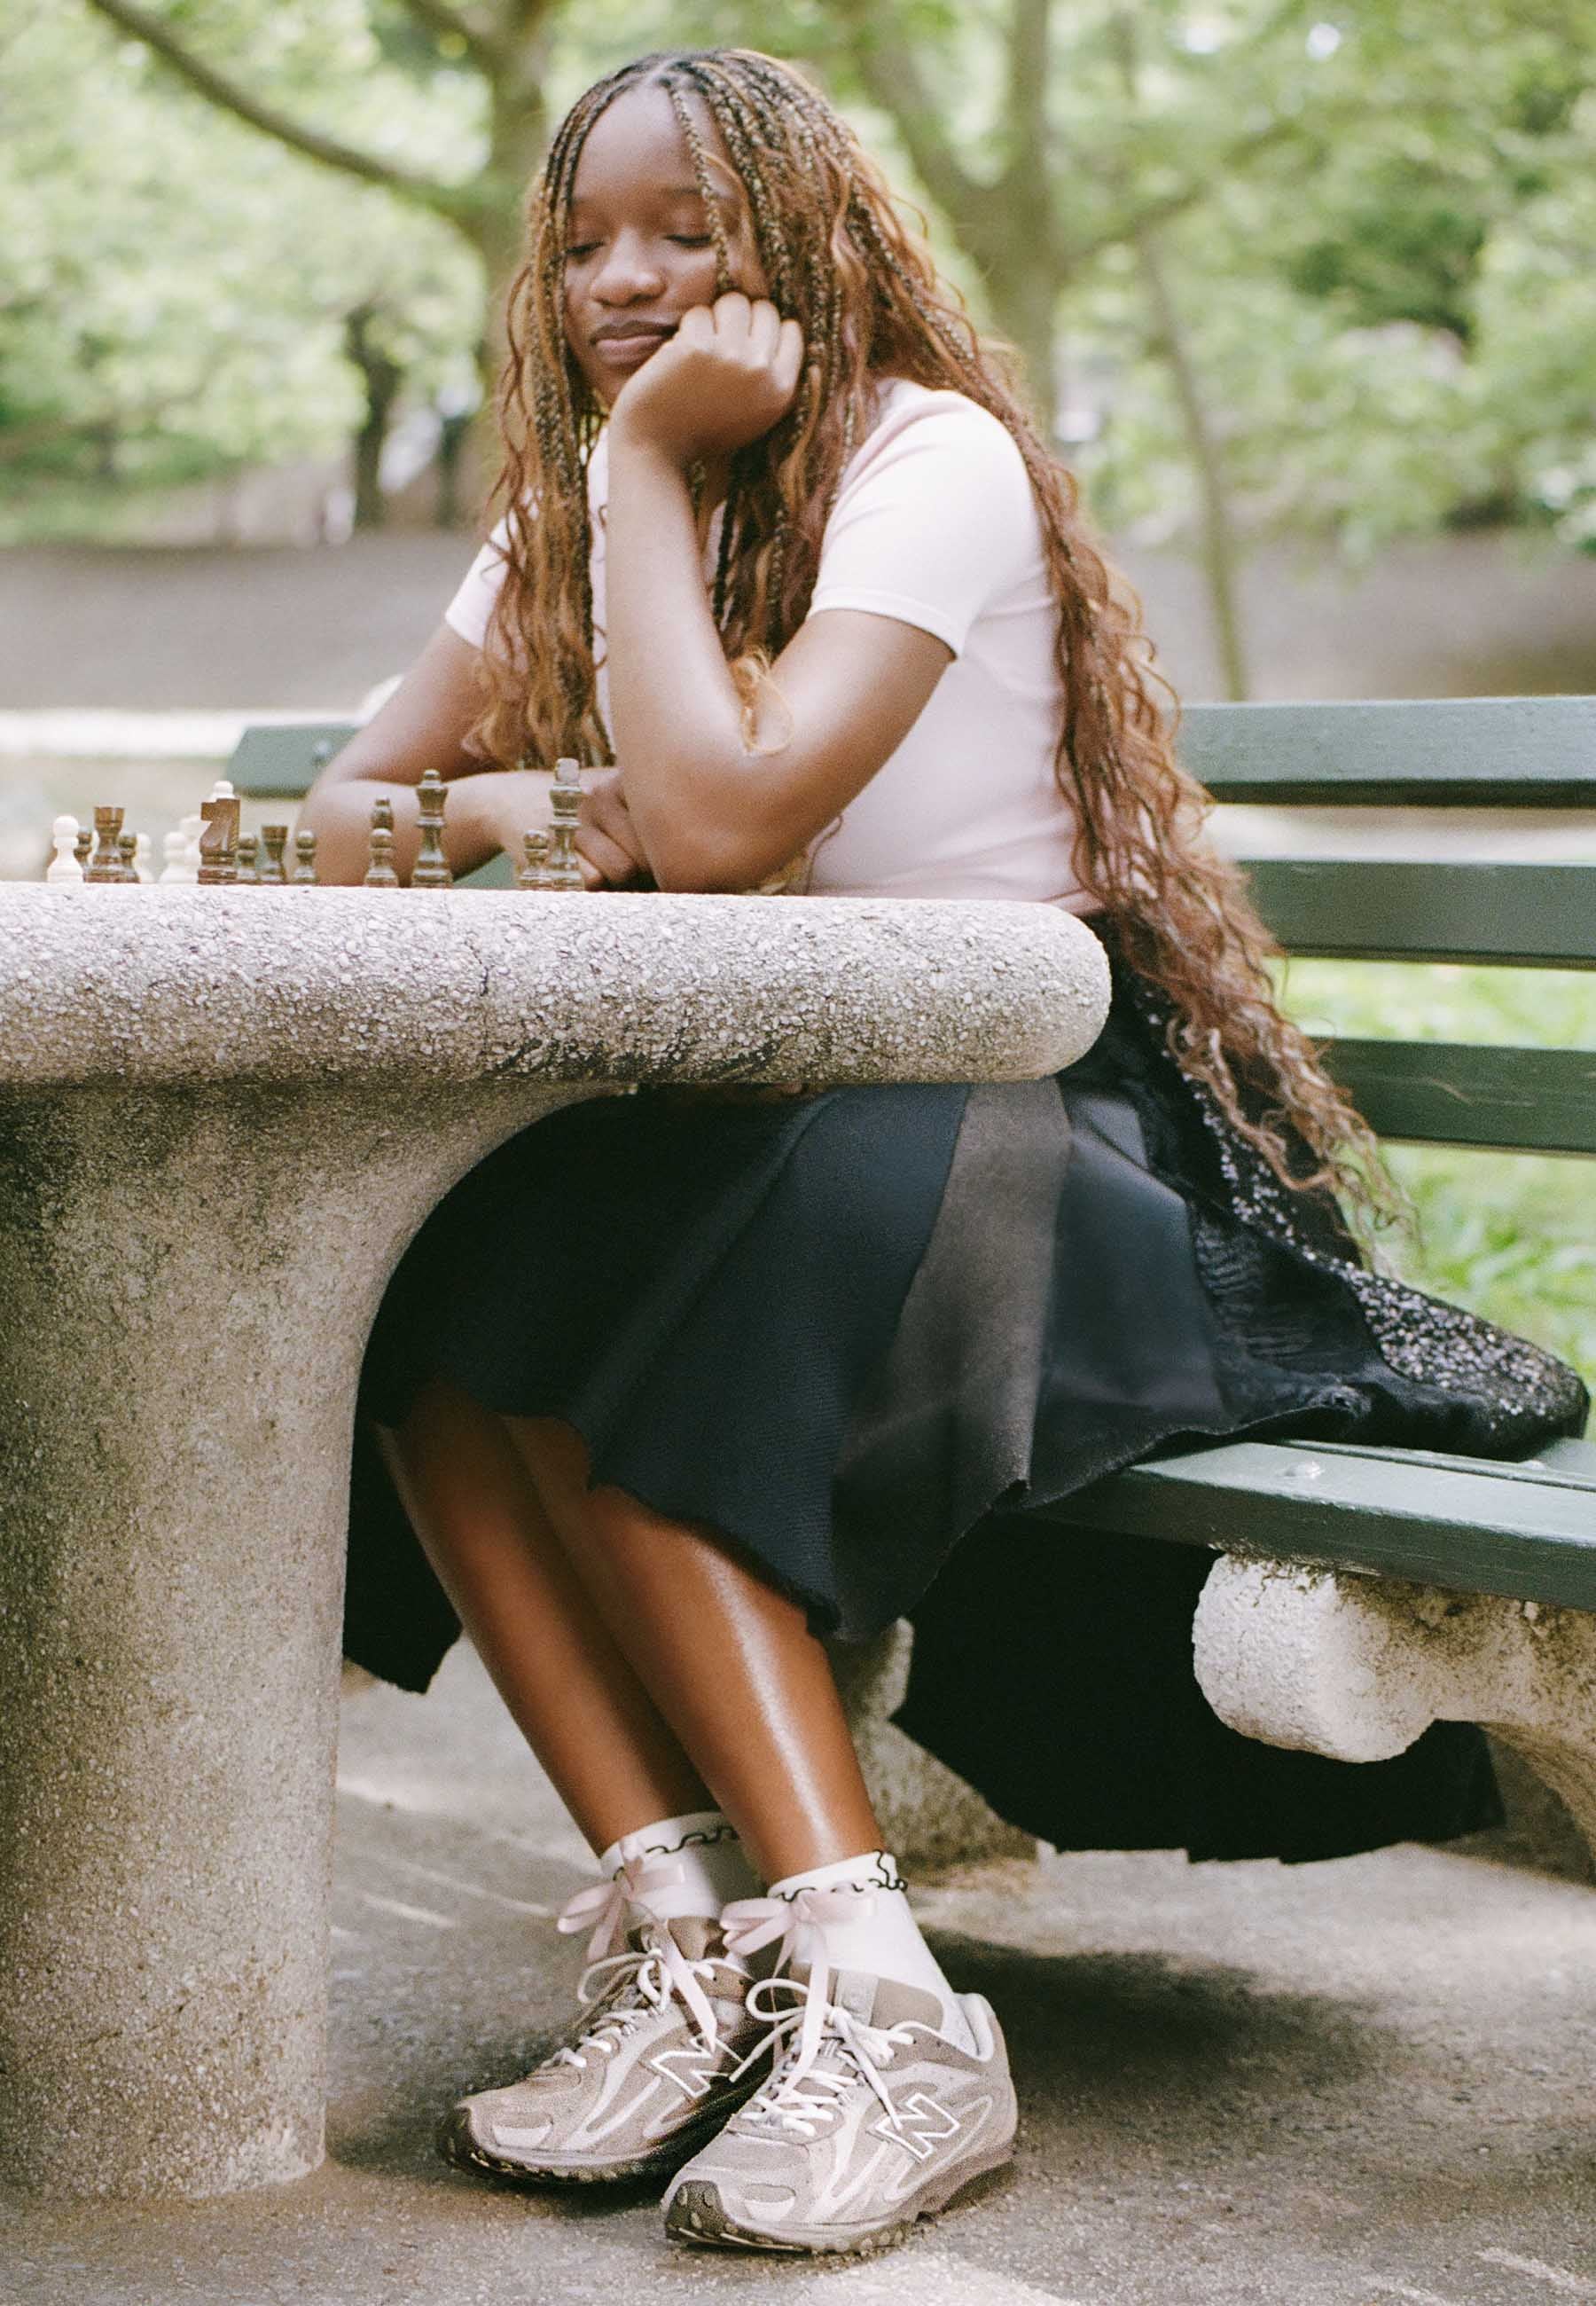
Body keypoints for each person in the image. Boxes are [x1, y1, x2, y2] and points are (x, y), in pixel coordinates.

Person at [301, 47, 1587, 2259]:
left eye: (685, 229)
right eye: (584, 240)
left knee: (673, 1319)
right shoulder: (580, 507)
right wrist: (520, 797)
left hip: (1025, 1108)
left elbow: (720, 826)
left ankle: (890, 2012)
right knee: (442, 1298)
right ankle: (692, 1943)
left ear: (804, 241)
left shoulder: (927, 459)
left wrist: (643, 467)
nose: (622, 280)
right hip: (782, 1117)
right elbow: (344, 816)